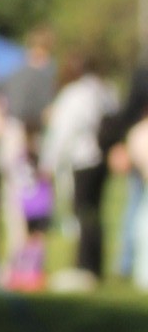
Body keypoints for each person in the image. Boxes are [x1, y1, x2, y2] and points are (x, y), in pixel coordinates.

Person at [43, 61, 113, 281]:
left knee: (82, 212)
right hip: (101, 159)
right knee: (93, 212)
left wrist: (49, 162)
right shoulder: (105, 91)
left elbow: (62, 132)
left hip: (81, 159)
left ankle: (85, 265)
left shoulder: (73, 95)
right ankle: (93, 264)